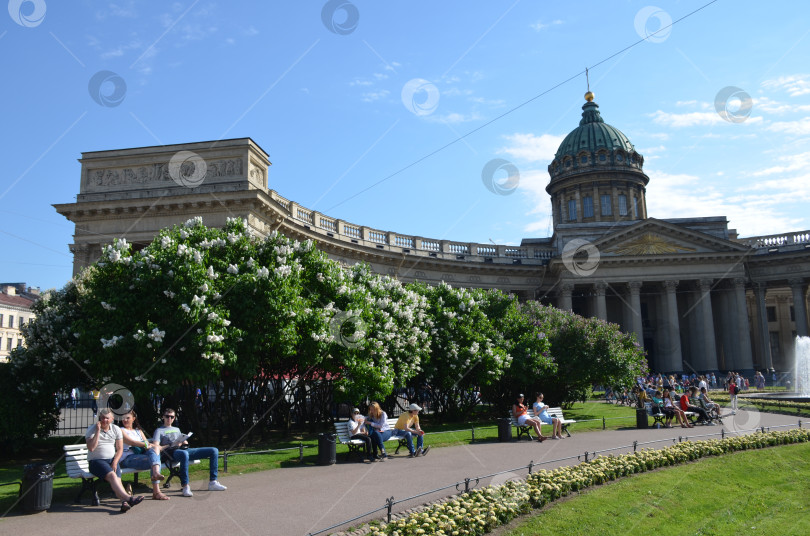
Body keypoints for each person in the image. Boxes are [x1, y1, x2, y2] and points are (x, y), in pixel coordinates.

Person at [152, 408, 227, 497]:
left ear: (174, 417)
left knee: (214, 450)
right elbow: (156, 447)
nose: (169, 419)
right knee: (184, 454)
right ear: (163, 417)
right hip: (172, 452)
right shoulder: (159, 430)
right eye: (167, 416)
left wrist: (184, 441)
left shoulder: (176, 429)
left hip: (184, 449)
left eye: (172, 417)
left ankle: (213, 482)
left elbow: (182, 442)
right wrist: (171, 444)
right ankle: (185, 486)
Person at [85, 408, 144, 512]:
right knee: (113, 476)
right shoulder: (92, 429)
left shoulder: (116, 429)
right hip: (96, 462)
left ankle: (124, 503)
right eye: (102, 418)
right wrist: (98, 431)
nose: (104, 420)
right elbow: (91, 448)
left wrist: (115, 461)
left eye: (107, 418)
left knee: (117, 480)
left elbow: (120, 448)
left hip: (111, 460)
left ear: (112, 419)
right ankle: (129, 499)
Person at [118, 410, 169, 500]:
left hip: (141, 456)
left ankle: (156, 475)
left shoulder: (139, 431)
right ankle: (156, 491)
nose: (125, 420)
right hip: (127, 458)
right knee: (155, 459)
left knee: (154, 454)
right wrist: (149, 445)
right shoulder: (121, 430)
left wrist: (156, 446)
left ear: (134, 419)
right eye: (123, 418)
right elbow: (132, 442)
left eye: (127, 418)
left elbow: (147, 445)